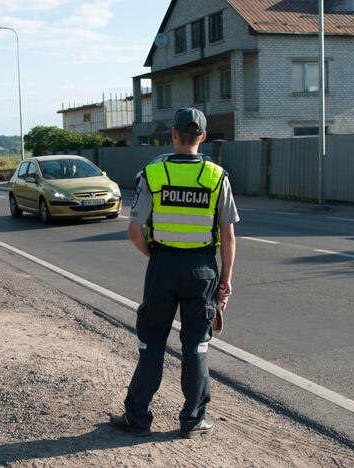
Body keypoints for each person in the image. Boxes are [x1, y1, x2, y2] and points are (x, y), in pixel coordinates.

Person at [109, 108, 239, 438]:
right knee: (196, 345)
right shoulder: (217, 176)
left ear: (174, 136)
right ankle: (193, 420)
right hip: (202, 270)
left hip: (163, 266)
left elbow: (135, 230)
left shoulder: (153, 174)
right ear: (204, 138)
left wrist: (158, 257)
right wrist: (224, 281)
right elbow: (229, 236)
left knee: (151, 342)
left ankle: (137, 417)